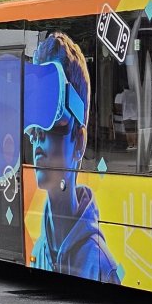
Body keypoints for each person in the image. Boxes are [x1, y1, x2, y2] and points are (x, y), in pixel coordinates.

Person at [24, 32, 121, 283]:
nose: (37, 137)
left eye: (54, 123)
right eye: (35, 123)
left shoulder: (101, 268)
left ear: (79, 142)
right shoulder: (39, 251)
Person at [117, 84, 138, 148]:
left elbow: (118, 106)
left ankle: (130, 145)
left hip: (126, 115)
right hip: (135, 116)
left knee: (128, 131)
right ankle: (135, 144)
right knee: (134, 131)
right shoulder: (135, 94)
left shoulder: (122, 95)